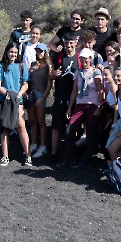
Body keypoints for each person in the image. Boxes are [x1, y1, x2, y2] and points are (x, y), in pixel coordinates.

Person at [56, 48, 104, 170]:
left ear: (90, 59)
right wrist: (70, 108)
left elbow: (100, 90)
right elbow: (74, 91)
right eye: (81, 58)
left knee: (92, 133)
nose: (83, 60)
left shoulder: (96, 73)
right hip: (80, 104)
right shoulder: (78, 72)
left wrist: (99, 106)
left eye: (86, 58)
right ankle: (69, 159)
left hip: (92, 104)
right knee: (69, 130)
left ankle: (86, 160)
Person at [0, 42, 32, 167]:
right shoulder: (0, 66)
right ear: (6, 52)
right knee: (4, 127)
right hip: (3, 100)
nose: (13, 54)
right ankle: (5, 156)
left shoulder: (21, 66)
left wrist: (18, 95)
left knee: (21, 126)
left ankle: (28, 156)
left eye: (15, 52)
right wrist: (8, 95)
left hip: (17, 100)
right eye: (11, 52)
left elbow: (25, 84)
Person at [48, 33, 81, 164]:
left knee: (73, 127)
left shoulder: (80, 57)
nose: (69, 46)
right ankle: (54, 154)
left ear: (75, 43)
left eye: (71, 43)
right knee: (56, 126)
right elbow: (50, 76)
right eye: (66, 43)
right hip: (60, 96)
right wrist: (53, 74)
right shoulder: (59, 57)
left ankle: (72, 153)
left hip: (76, 97)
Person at [27, 43, 53, 158]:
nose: (39, 53)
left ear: (45, 52)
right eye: (37, 51)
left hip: (41, 95)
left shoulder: (48, 66)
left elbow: (49, 85)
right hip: (31, 94)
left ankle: (43, 146)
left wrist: (43, 97)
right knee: (32, 121)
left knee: (41, 121)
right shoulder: (33, 64)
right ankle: (33, 144)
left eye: (41, 51)